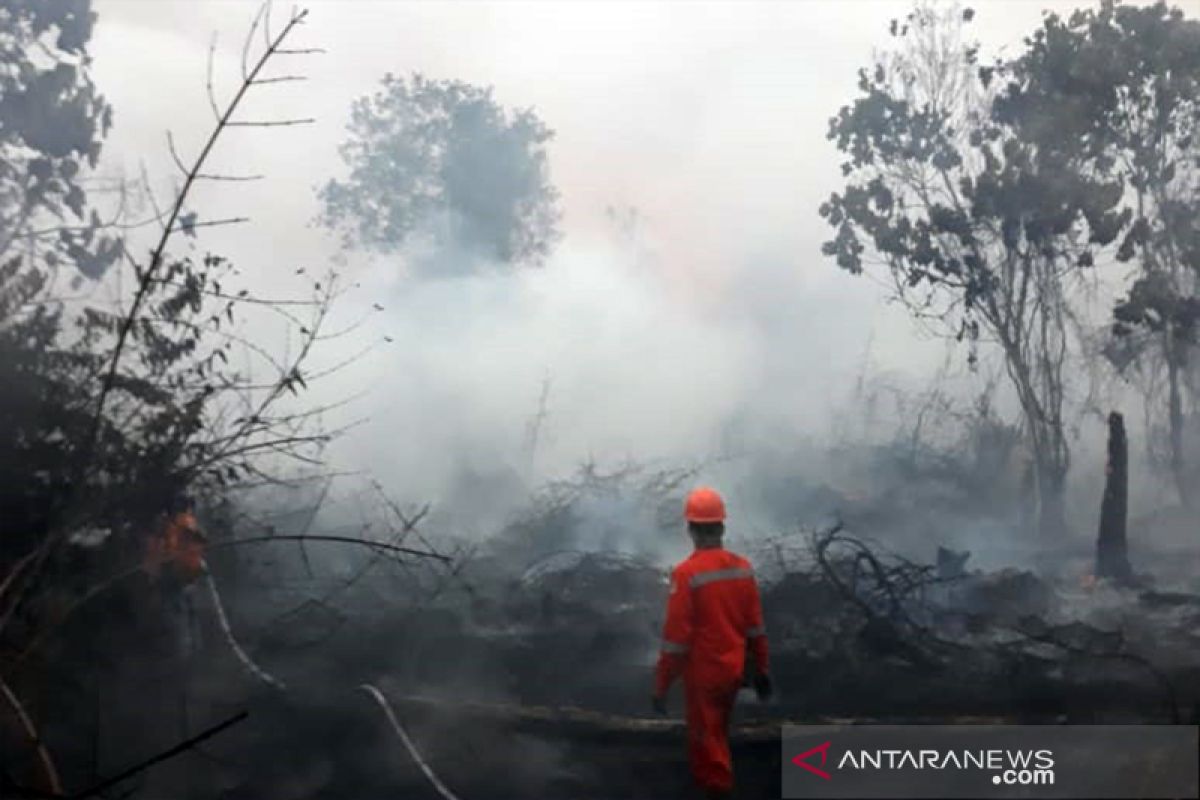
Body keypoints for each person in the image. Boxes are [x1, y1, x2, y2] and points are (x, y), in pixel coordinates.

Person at [652, 486, 772, 800]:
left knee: (708, 748)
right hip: (734, 672)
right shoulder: (742, 568)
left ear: (690, 529)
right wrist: (760, 670)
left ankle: (718, 793)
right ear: (721, 526)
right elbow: (755, 627)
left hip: (705, 676)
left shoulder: (686, 573)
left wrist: (662, 686)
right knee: (718, 735)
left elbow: (676, 641)